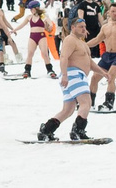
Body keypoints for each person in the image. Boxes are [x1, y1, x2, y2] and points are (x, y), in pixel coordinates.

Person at [35, 14, 100, 142]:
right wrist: (64, 75)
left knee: (68, 110)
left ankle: (46, 130)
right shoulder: (70, 40)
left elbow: (90, 63)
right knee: (86, 102)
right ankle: (78, 131)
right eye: (80, 27)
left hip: (75, 76)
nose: (84, 29)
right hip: (73, 74)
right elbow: (63, 57)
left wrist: (104, 73)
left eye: (84, 27)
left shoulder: (82, 44)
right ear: (73, 27)